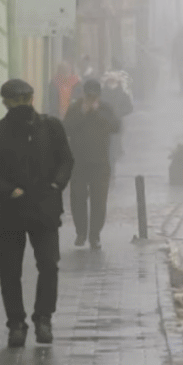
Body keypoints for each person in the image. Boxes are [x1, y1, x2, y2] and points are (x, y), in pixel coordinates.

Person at [0, 79, 74, 348]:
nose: (20, 105)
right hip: (11, 211)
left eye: (24, 99)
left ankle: (43, 318)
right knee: (9, 271)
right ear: (5, 102)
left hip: (44, 208)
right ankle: (16, 323)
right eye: (14, 100)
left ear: (31, 99)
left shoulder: (51, 128)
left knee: (48, 265)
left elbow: (66, 159)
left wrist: (56, 185)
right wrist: (7, 190)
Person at [62, 79, 122, 250]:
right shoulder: (75, 108)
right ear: (83, 94)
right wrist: (82, 112)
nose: (91, 99)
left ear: (99, 96)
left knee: (99, 201)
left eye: (94, 96)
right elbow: (66, 128)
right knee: (78, 198)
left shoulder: (105, 109)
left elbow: (116, 127)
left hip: (100, 163)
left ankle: (95, 235)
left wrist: (96, 113)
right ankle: (81, 233)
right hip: (78, 163)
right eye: (88, 96)